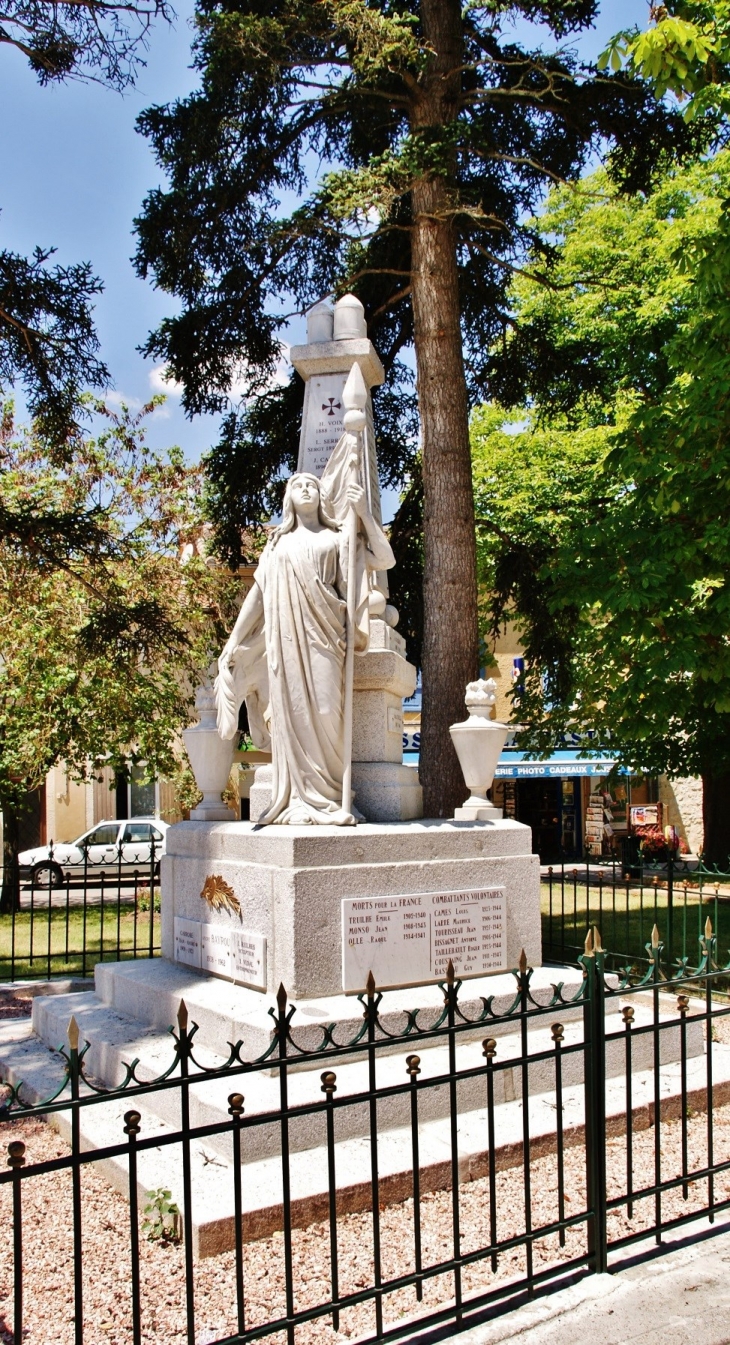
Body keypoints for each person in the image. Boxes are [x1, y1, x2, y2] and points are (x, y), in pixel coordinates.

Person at [215, 471, 394, 825]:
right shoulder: (278, 544)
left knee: (328, 710)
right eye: (298, 485)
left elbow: (384, 559)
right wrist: (235, 639)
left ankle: (328, 799)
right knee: (291, 714)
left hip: (327, 638)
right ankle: (296, 799)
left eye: (312, 484)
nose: (306, 489)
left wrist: (365, 515)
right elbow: (260, 594)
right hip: (286, 643)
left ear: (321, 496)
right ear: (289, 499)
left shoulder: (340, 538)